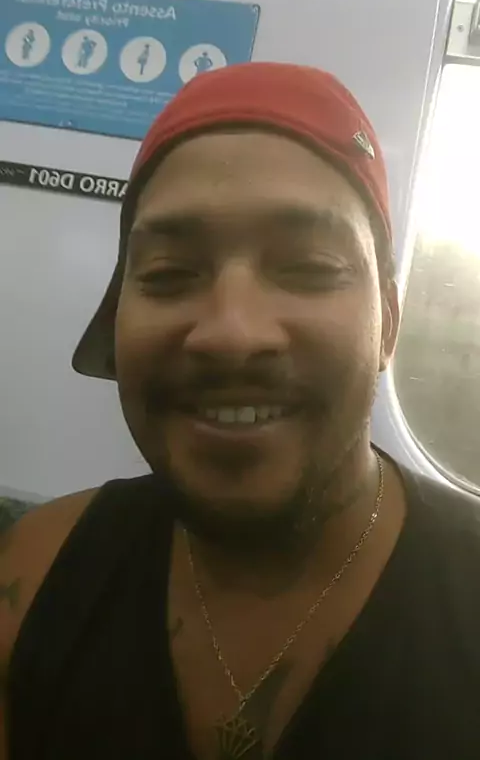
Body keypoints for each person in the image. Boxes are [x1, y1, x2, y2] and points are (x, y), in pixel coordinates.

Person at [1, 62, 480, 760]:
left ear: (388, 322)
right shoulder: (36, 575)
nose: (232, 332)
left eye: (309, 268)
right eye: (169, 274)